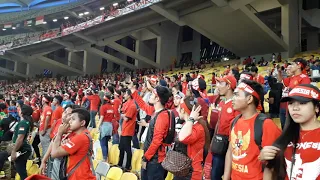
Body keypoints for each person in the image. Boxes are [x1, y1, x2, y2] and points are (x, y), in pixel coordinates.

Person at [223, 80, 281, 180]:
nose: (233, 98)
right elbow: (230, 151)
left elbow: (270, 166)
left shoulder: (266, 124)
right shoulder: (234, 122)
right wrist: (226, 177)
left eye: (237, 95)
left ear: (249, 99)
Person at [259, 84, 320, 179]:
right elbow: (270, 170)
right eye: (291, 103)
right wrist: (266, 157)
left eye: (302, 103)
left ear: (316, 107)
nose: (295, 108)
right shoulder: (285, 137)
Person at [130, 82, 171, 180]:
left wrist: (146, 157)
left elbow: (157, 141)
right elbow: (143, 105)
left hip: (155, 161)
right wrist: (133, 91)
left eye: (153, 94)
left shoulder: (162, 116)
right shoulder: (155, 111)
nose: (150, 95)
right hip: (151, 159)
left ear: (157, 99)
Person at [51, 108, 96, 180]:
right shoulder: (79, 135)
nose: (70, 121)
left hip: (80, 177)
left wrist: (60, 133)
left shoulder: (81, 138)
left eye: (73, 119)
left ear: (82, 123)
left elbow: (54, 153)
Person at [211, 75, 240, 180]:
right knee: (214, 175)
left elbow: (237, 127)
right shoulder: (222, 102)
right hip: (218, 144)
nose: (217, 86)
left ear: (228, 86)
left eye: (221, 83)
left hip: (229, 146)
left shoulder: (235, 104)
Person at [176, 98, 210, 180]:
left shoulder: (197, 128)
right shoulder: (188, 124)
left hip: (192, 172)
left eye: (179, 108)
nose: (177, 110)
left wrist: (191, 119)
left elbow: (182, 137)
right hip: (184, 169)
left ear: (183, 110)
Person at [278, 58, 311, 129]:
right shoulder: (292, 78)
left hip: (298, 110)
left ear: (299, 66)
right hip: (289, 109)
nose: (291, 66)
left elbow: (304, 96)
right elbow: (281, 81)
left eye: (293, 64)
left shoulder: (304, 78)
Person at [11, 105, 34, 179]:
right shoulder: (27, 122)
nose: (18, 110)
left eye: (19, 109)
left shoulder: (23, 123)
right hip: (24, 148)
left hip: (22, 149)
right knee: (21, 169)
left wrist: (14, 151)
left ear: (23, 112)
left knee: (21, 171)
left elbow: (20, 138)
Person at [118, 89, 137, 171]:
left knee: (127, 149)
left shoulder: (132, 105)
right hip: (124, 129)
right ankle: (120, 164)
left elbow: (126, 118)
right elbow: (122, 113)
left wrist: (121, 114)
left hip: (128, 130)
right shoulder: (125, 103)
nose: (124, 95)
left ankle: (127, 166)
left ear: (129, 95)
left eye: (125, 94)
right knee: (121, 148)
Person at [97, 93, 114, 162]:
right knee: (106, 143)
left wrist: (98, 126)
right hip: (110, 126)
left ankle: (104, 159)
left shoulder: (103, 107)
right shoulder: (111, 107)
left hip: (104, 126)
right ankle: (106, 158)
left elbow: (101, 117)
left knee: (103, 143)